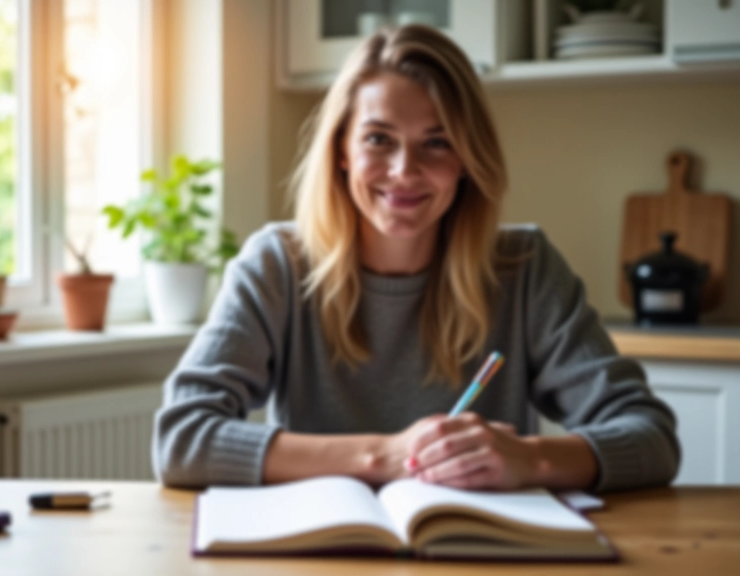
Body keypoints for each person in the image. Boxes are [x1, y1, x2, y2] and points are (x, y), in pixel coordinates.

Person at [152, 25, 679, 492]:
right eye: (379, 139)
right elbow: (181, 439)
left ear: (468, 160)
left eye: (437, 143)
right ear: (341, 150)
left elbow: (650, 436)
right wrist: (386, 457)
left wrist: (531, 459)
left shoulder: (526, 268)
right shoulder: (277, 265)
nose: (405, 170)